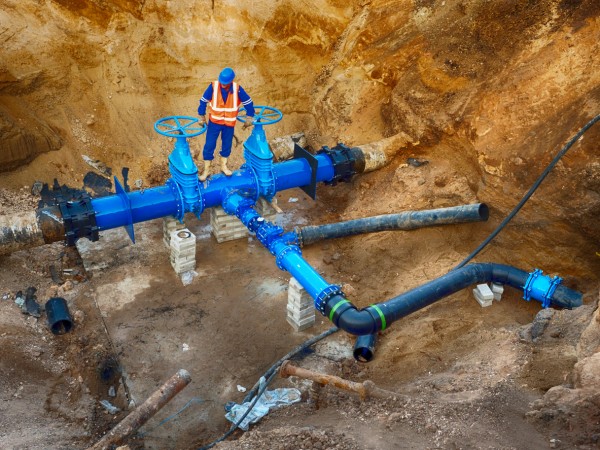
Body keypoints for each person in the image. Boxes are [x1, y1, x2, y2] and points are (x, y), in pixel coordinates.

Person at [197, 67, 255, 181]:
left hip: (229, 124)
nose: (223, 85)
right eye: (222, 83)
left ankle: (223, 166)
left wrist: (250, 116)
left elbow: (248, 102)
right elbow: (203, 100)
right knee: (209, 145)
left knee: (227, 145)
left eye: (225, 83)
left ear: (231, 81)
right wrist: (201, 115)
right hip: (214, 123)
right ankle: (206, 171)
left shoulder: (237, 89)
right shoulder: (213, 87)